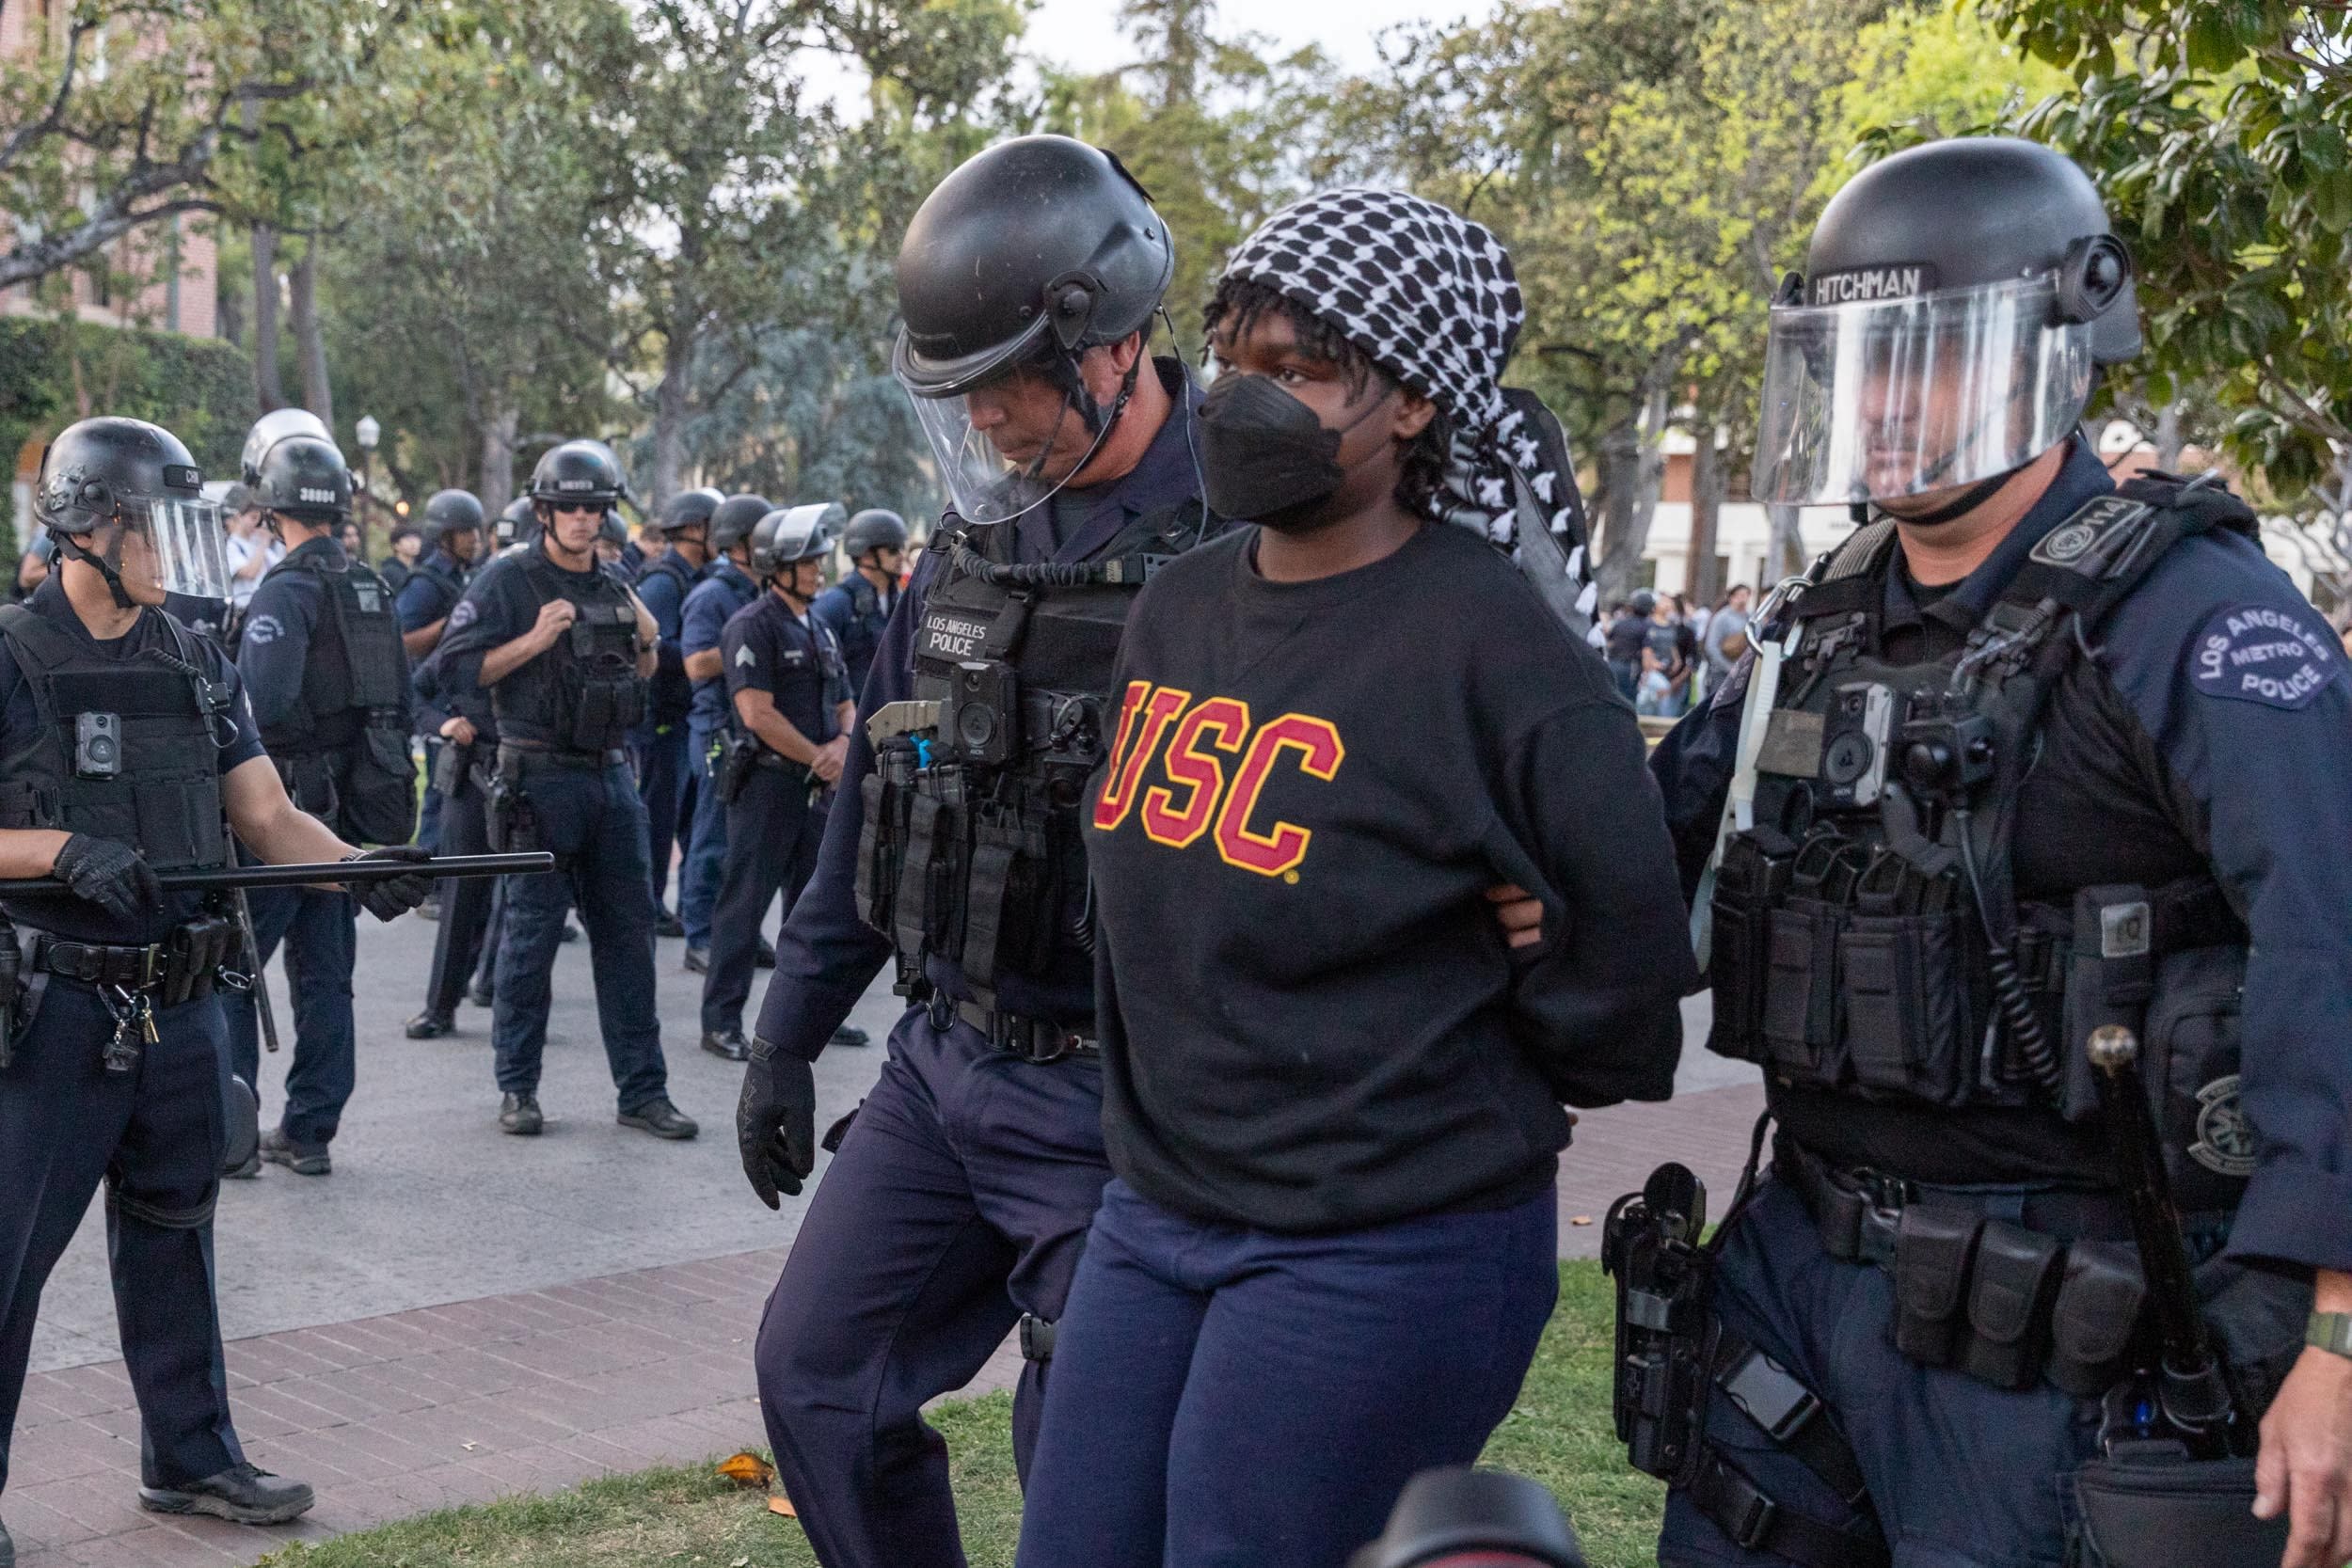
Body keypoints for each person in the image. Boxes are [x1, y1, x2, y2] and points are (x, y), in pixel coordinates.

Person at [1634, 137, 2352, 1568]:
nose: (1886, 402)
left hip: (2055, 1310)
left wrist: (2334, 1334)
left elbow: (2332, 949)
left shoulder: (2194, 616)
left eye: (1929, 353)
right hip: (1798, 1268)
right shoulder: (1821, 617)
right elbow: (1639, 845)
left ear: (2055, 349)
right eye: (1858, 360)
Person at [1010, 185, 1691, 1568]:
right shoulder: (1178, 605)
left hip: (1383, 1240)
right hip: (1156, 1208)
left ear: (1417, 406)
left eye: (1305, 372)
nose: (1249, 400)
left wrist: (1542, 958)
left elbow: (1630, 1010)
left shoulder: (1501, 654)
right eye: (1239, 361)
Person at [737, 135, 1216, 1568]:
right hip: (945, 1065)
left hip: (1124, 1106)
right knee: (815, 1374)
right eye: (963, 392)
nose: (990, 422)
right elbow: (882, 790)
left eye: (1007, 379)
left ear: (1112, 338)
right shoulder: (965, 549)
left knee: (1086, 1464)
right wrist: (786, 1030)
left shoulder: (1247, 541)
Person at [0, 418, 432, 1561]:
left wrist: (358, 869)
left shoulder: (197, 656)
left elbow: (266, 816)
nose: (186, 546)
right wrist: (52, 853)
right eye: (160, 523)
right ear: (87, 523)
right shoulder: (8, 653)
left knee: (176, 1231)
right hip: (53, 1012)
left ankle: (190, 1456)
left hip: (181, 1000)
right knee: (6, 1256)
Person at [433, 439, 697, 1141]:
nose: (584, 519)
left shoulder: (615, 583)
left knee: (629, 940)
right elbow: (454, 671)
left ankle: (643, 1091)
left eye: (595, 508)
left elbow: (641, 672)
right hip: (538, 777)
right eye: (570, 507)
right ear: (544, 511)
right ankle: (517, 1086)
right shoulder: (507, 581)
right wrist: (534, 639)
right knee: (529, 941)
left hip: (611, 776)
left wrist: (648, 643)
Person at [224, 420, 420, 1179]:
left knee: (236, 970)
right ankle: (310, 1132)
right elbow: (397, 696)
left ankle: (231, 1133)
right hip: (353, 809)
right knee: (326, 975)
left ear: (272, 511)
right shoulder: (374, 587)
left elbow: (258, 707)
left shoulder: (288, 590)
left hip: (284, 809)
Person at [698, 504, 854, 1061]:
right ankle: (720, 1021)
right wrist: (821, 756)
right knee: (743, 907)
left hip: (816, 786)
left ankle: (808, 1020)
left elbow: (845, 701)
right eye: (807, 560)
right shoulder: (751, 625)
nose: (818, 569)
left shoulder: (818, 624)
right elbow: (755, 712)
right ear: (775, 565)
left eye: (818, 558)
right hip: (767, 786)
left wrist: (842, 746)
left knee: (811, 914)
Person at [675, 494, 770, 974]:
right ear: (738, 544)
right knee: (712, 840)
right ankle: (700, 937)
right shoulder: (713, 595)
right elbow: (695, 664)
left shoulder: (764, 590)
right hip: (717, 731)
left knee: (746, 845)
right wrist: (751, 639)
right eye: (761, 536)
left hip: (751, 731)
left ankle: (740, 933)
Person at [631, 488, 720, 935]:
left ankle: (682, 907)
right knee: (658, 814)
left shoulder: (696, 576)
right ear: (692, 529)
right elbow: (651, 643)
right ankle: (646, 905)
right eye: (713, 526)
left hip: (682, 717)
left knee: (684, 817)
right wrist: (698, 653)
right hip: (659, 719)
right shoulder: (665, 580)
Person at [404, 639, 499, 1040]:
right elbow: (413, 693)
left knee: (524, 898)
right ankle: (441, 1004)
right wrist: (440, 725)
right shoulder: (469, 642)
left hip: (536, 770)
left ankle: (499, 990)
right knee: (462, 893)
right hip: (473, 772)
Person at [398, 490, 487, 863]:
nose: (475, 540)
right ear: (445, 536)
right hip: (435, 699)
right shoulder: (425, 584)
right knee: (439, 788)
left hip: (463, 696)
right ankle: (431, 875)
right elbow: (402, 640)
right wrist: (449, 625)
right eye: (466, 532)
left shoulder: (471, 577)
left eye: (476, 532)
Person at [809, 507, 907, 700]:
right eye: (893, 550)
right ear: (866, 555)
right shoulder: (835, 605)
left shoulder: (902, 601)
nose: (901, 556)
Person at [1700, 582, 1751, 693]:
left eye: (1745, 595)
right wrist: (1729, 667)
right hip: (1721, 672)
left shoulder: (1751, 618)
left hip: (1743, 671)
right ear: (1732, 597)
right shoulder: (1722, 617)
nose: (1743, 599)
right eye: (1739, 595)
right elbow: (1711, 646)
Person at [1604, 592, 1652, 701]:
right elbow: (1647, 653)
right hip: (1630, 667)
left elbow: (1609, 643)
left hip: (1612, 664)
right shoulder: (1646, 626)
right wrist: (1646, 674)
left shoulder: (1620, 623)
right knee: (1628, 699)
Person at [377, 523, 422, 596]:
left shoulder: (418, 569)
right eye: (408, 539)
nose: (414, 543)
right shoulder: (389, 572)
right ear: (396, 545)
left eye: (417, 539)